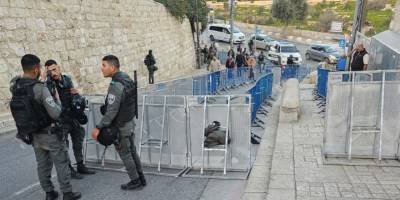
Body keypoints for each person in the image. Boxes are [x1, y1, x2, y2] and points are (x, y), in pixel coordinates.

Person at [9, 54, 81, 200]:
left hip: (33, 133)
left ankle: (49, 192)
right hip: (50, 133)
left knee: (42, 164)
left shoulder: (16, 86)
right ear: (36, 69)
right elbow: (55, 113)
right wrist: (57, 102)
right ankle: (67, 193)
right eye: (40, 68)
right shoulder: (40, 88)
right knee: (61, 162)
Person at [91, 55, 146, 190]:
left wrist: (98, 127)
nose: (101, 68)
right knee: (132, 151)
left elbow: (111, 111)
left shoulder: (116, 85)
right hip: (128, 123)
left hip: (121, 126)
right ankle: (141, 178)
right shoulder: (126, 79)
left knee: (125, 154)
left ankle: (135, 181)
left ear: (112, 67)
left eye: (104, 65)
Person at [45, 60, 96, 179]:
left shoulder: (67, 79)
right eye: (49, 71)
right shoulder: (49, 85)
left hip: (73, 117)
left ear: (59, 67)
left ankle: (80, 165)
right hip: (61, 120)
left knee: (78, 142)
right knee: (63, 146)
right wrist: (46, 80)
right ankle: (69, 169)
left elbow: (73, 93)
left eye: (54, 69)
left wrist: (77, 93)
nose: (53, 73)